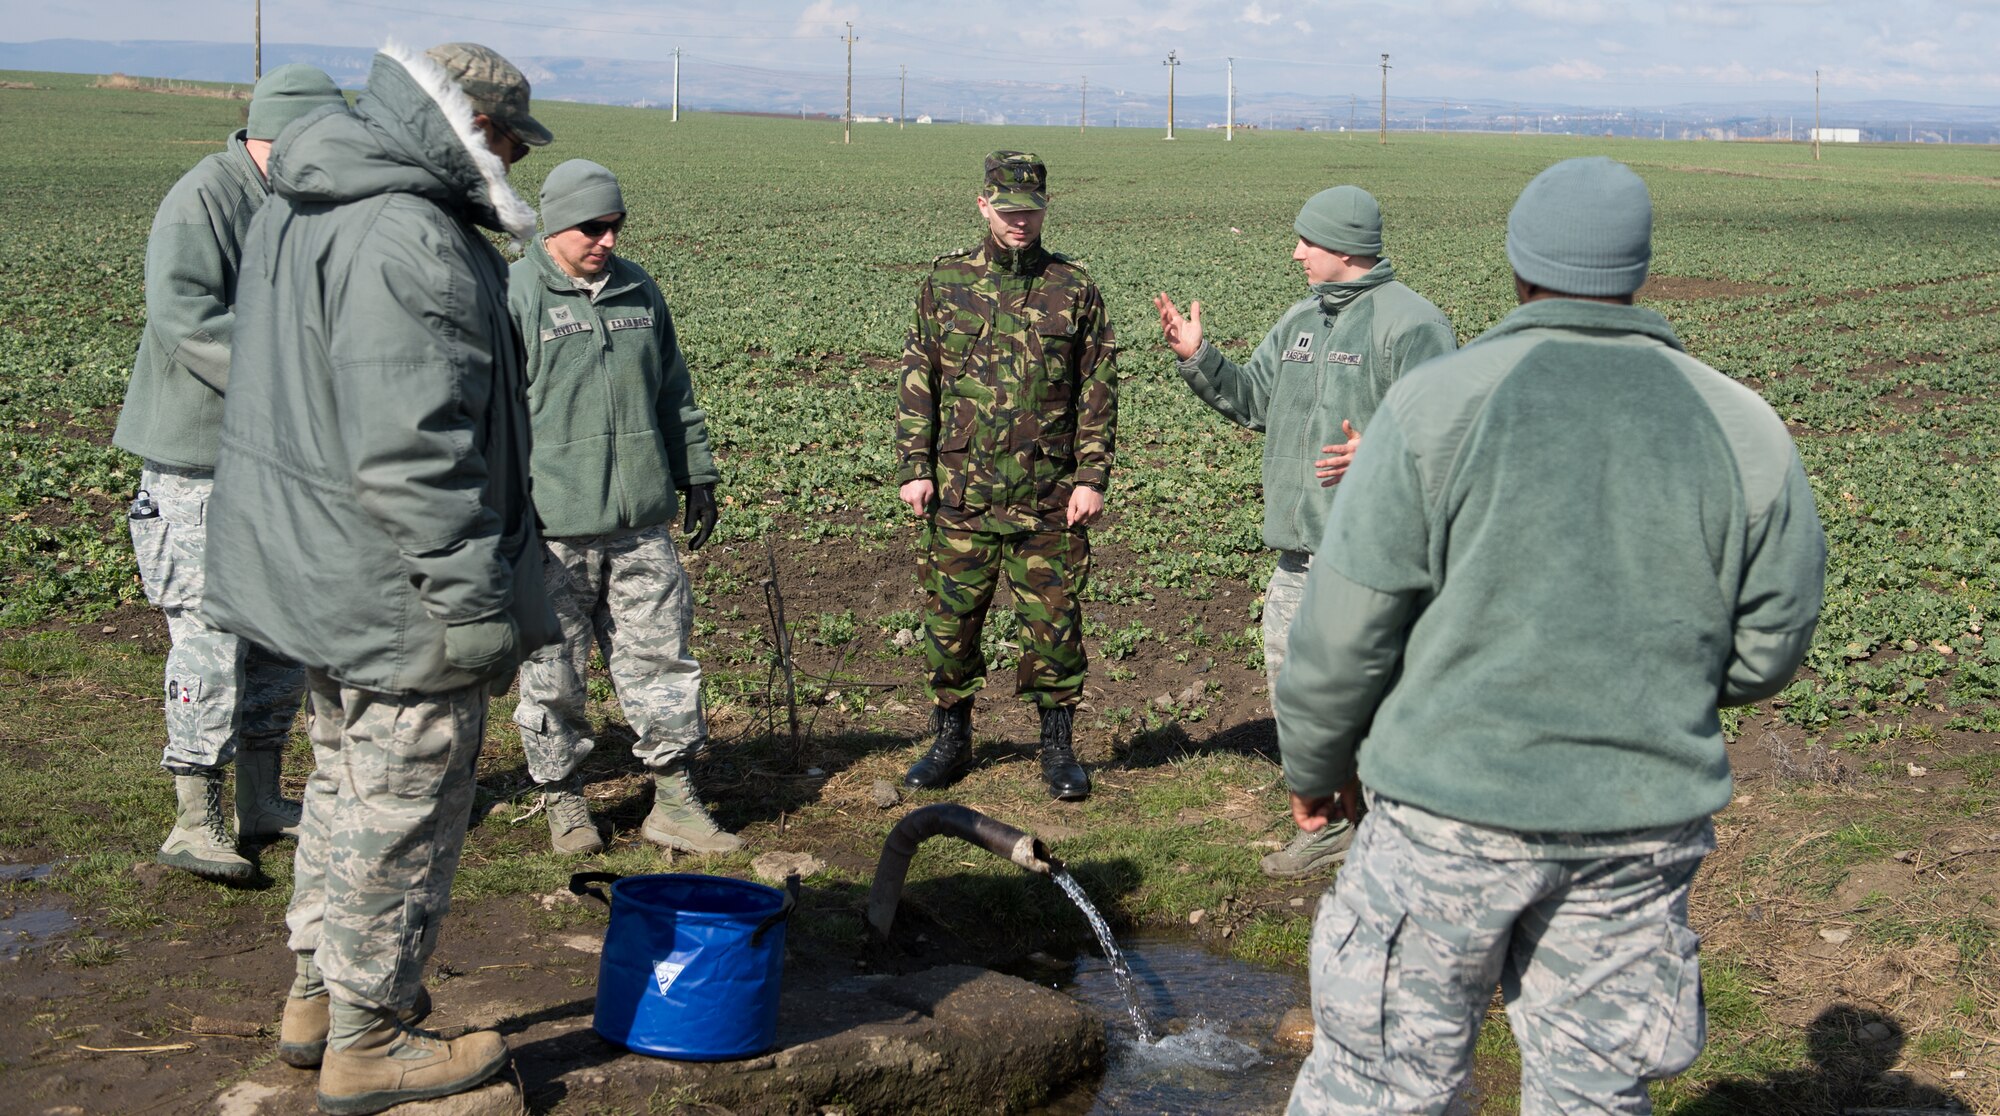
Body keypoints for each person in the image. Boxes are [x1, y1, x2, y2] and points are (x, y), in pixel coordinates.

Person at [1276, 157, 1827, 1114]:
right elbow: (1771, 646)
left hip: (1446, 818)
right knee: (1593, 1091)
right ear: (1638, 273)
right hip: (1639, 828)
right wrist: (1651, 683)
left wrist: (1316, 768)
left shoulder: (1437, 406)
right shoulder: (1746, 427)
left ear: (1518, 267)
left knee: (1382, 1083)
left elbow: (1344, 632)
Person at [203, 42, 559, 1113]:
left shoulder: (309, 198)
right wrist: (473, 603)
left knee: (346, 791)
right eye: (504, 136)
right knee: (403, 806)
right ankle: (373, 1037)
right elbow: (416, 450)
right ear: (465, 125)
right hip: (394, 586)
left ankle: (316, 999)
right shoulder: (409, 236)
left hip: (314, 570)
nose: (509, 157)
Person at [1154, 185, 1456, 880]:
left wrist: (1383, 448)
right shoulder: (1300, 320)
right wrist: (1200, 359)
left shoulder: (1412, 326)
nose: (1295, 252)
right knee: (1293, 682)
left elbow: (1451, 431)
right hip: (1300, 550)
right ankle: (1332, 824)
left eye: (1307, 241)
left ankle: (1397, 830)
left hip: (1373, 551)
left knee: (1374, 690)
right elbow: (1255, 400)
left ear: (1345, 246)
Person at [112, 64, 348, 883]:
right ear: (275, 136)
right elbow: (184, 317)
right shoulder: (204, 196)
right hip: (201, 457)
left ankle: (260, 797)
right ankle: (194, 816)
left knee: (279, 636)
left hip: (280, 460)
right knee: (210, 637)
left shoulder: (304, 204)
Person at [507, 159, 728, 856]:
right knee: (554, 674)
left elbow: (673, 393)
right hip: (551, 529)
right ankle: (563, 800)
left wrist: (696, 473)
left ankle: (676, 800)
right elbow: (490, 416)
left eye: (615, 225)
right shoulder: (518, 295)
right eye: (591, 227)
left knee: (662, 660)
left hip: (639, 527)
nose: (606, 239)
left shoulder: (638, 290)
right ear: (555, 225)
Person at [893, 151, 1117, 801]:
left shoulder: (1073, 289)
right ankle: (950, 739)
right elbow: (917, 382)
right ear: (984, 206)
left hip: (1047, 497)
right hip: (962, 494)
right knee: (949, 625)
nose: (1021, 222)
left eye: (1032, 211)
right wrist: (915, 467)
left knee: (1054, 628)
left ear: (1046, 209)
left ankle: (1057, 748)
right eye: (1009, 210)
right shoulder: (946, 285)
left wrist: (1091, 476)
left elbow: (1097, 388)